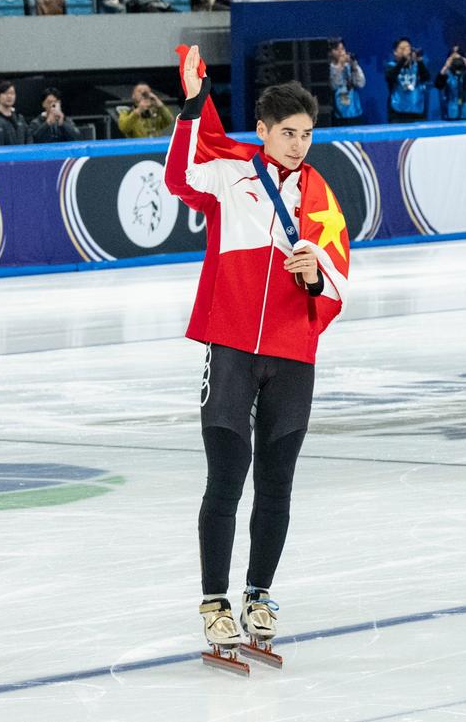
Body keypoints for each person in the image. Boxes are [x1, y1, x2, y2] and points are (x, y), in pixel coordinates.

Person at [164, 43, 349, 671]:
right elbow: (181, 176)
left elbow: (341, 273)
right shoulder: (229, 173)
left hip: (294, 352)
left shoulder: (321, 196)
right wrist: (192, 108)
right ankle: (215, 602)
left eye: (307, 135)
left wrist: (315, 274)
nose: (299, 145)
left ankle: (259, 596)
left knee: (277, 482)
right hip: (234, 343)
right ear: (263, 130)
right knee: (227, 474)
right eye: (289, 133)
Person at [384, 38, 430, 122]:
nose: (406, 51)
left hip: (417, 110)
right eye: (402, 49)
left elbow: (426, 78)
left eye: (408, 48)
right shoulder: (391, 65)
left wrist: (419, 61)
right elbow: (390, 77)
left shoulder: (417, 65)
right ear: (395, 52)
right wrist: (403, 60)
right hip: (398, 112)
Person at [434, 46, 466, 120]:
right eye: (453, 58)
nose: (456, 61)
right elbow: (438, 84)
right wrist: (446, 66)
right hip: (452, 113)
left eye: (459, 57)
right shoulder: (447, 73)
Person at [328, 39, 365, 123]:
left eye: (342, 49)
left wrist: (354, 67)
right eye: (337, 49)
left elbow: (361, 83)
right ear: (330, 52)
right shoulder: (330, 68)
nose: (341, 52)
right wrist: (340, 65)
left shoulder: (350, 65)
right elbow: (334, 85)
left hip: (355, 110)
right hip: (339, 112)